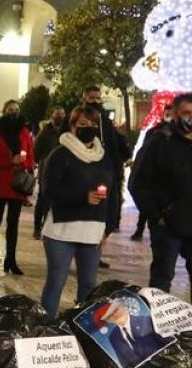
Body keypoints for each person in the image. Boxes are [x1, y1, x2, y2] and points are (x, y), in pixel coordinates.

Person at [128, 92, 192, 309]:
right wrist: (157, 215)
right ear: (173, 113)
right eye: (185, 113)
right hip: (169, 225)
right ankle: (156, 324)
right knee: (162, 278)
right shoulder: (160, 142)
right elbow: (138, 183)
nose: (191, 118)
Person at [39, 105, 113, 319]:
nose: (87, 128)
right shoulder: (60, 154)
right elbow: (49, 190)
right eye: (82, 124)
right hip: (62, 230)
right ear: (72, 127)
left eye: (92, 125)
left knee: (89, 285)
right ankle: (47, 326)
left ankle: (82, 329)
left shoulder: (103, 158)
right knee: (56, 282)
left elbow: (113, 194)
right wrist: (83, 197)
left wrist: (107, 228)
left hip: (92, 231)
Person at [0, 100, 34, 276]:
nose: (13, 113)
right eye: (10, 110)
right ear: (3, 111)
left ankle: (10, 260)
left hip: (17, 184)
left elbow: (30, 154)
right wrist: (9, 161)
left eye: (16, 110)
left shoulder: (24, 132)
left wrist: (27, 169)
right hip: (0, 183)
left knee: (13, 224)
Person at [83, 86, 129, 268]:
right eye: (91, 97)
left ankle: (95, 250)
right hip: (90, 175)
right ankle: (88, 254)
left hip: (110, 174)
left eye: (97, 97)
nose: (95, 100)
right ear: (84, 98)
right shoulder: (80, 117)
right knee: (92, 216)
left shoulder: (106, 121)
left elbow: (115, 145)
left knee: (110, 219)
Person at [130, 104, 175, 242]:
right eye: (166, 112)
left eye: (171, 112)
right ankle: (140, 229)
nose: (168, 114)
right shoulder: (154, 132)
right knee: (147, 206)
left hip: (167, 179)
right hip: (152, 176)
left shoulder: (178, 133)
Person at [90, 299, 172, 368]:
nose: (115, 314)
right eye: (110, 315)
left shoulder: (146, 320)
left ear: (124, 307)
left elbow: (169, 341)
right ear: (109, 320)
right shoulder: (113, 336)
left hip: (164, 363)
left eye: (116, 310)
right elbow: (124, 362)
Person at [31, 106, 66, 239]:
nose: (60, 117)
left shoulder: (66, 131)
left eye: (62, 114)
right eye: (58, 114)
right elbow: (36, 150)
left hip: (62, 170)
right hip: (46, 169)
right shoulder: (45, 131)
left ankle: (49, 227)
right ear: (52, 116)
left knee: (55, 201)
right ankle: (37, 227)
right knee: (43, 200)